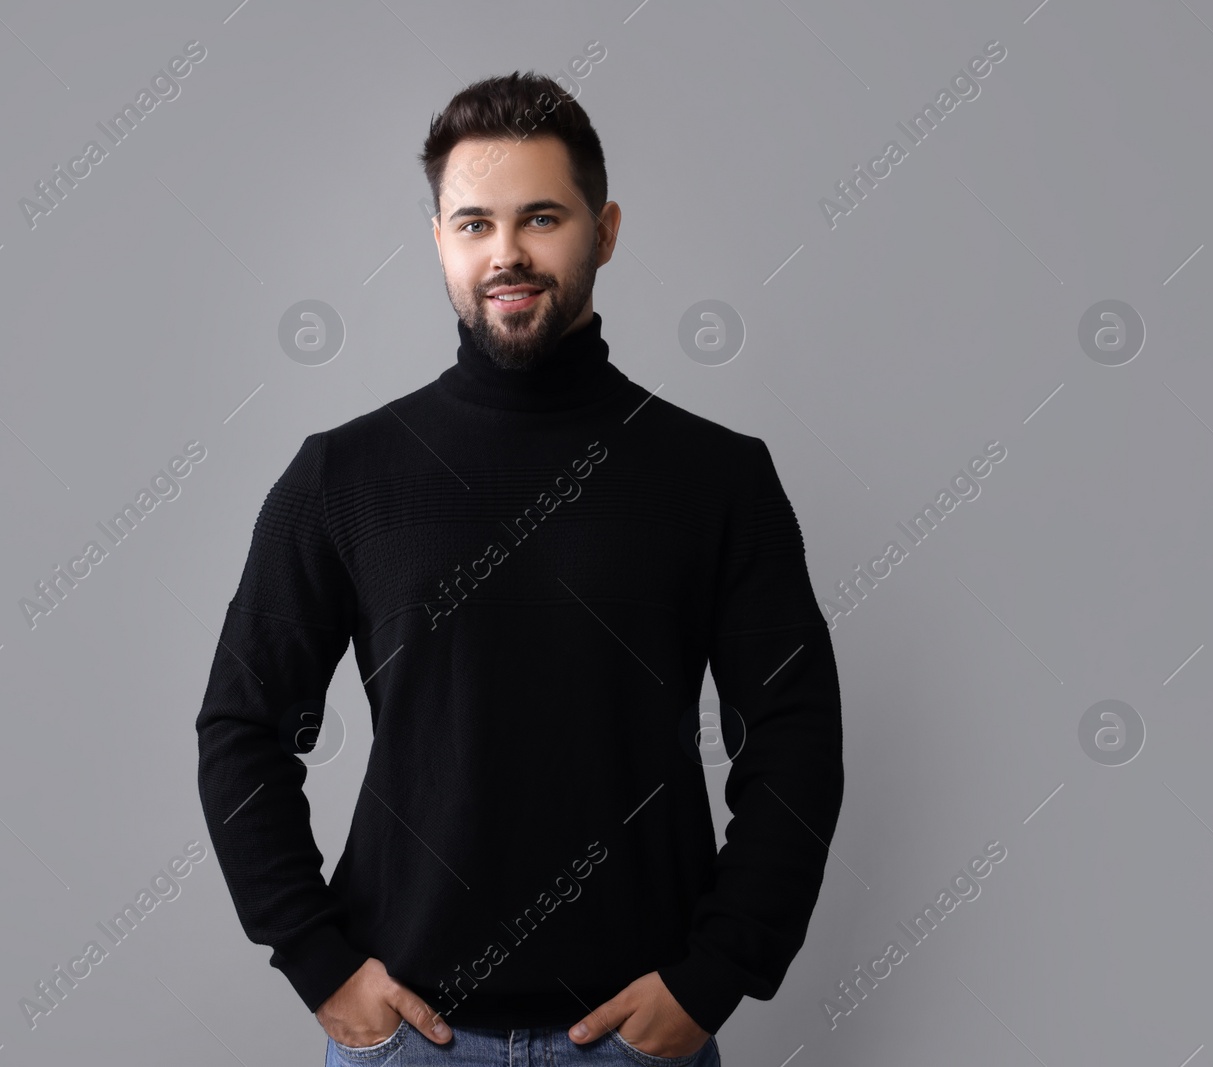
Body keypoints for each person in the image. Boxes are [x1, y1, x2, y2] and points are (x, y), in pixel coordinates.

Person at [195, 70, 844, 1066]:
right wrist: (317, 960)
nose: (506, 252)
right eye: (473, 223)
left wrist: (717, 972)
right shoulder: (345, 474)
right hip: (408, 1044)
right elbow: (242, 726)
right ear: (439, 241)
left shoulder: (715, 476)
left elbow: (794, 735)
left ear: (605, 229)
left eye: (540, 217)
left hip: (638, 1044)